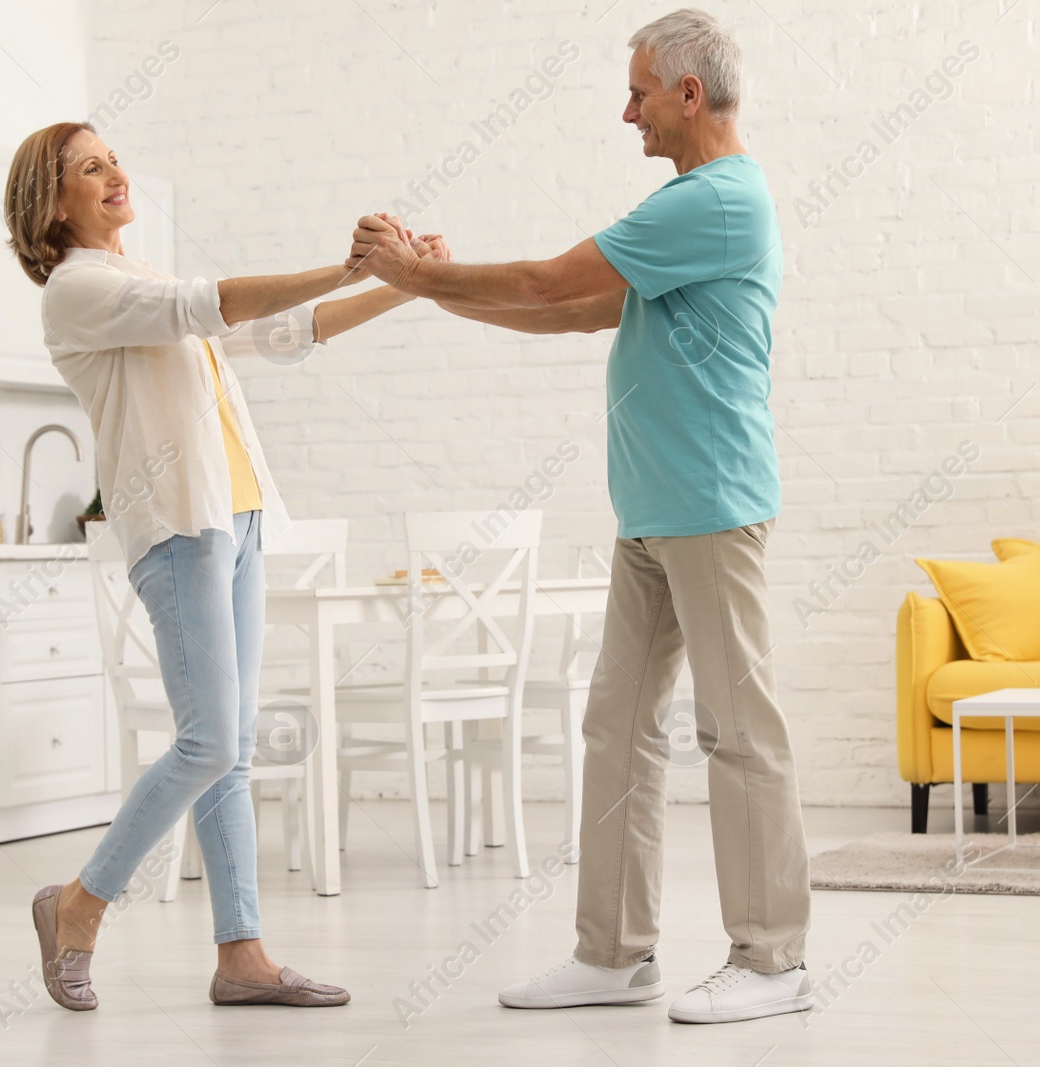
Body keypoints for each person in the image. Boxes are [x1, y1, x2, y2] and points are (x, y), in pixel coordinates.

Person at [345, 8, 812, 1026]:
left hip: (711, 505)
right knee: (616, 727)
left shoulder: (720, 201)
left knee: (738, 728)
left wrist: (414, 272)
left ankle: (774, 958)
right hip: (651, 511)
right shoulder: (682, 209)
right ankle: (613, 953)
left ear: (689, 93)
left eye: (639, 89)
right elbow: (565, 309)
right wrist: (422, 289)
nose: (626, 109)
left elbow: (548, 277)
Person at [5, 120, 446, 1011]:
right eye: (91, 169)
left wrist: (405, 286)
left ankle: (241, 955)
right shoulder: (78, 289)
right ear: (52, 206)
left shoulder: (140, 279)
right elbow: (215, 305)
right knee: (208, 741)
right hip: (175, 530)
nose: (116, 174)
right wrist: (352, 263)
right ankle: (80, 905)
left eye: (114, 158)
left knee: (229, 749)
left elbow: (282, 332)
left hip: (234, 518)